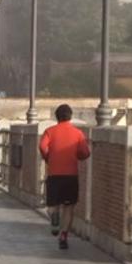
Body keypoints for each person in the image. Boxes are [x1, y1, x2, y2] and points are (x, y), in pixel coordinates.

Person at [40, 104, 91, 249]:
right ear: (70, 116)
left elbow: (42, 147)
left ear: (57, 117)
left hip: (54, 174)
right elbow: (85, 153)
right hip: (71, 175)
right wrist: (77, 156)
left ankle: (54, 220)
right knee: (69, 207)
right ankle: (64, 235)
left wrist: (48, 157)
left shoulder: (49, 131)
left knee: (52, 206)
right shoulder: (77, 133)